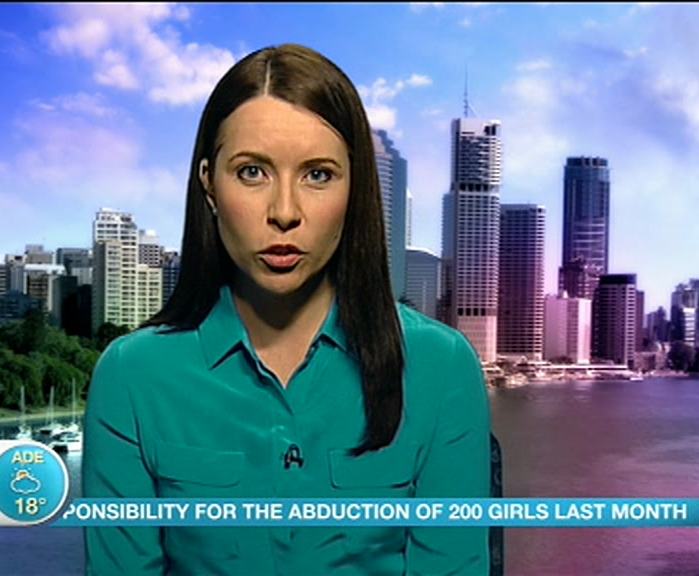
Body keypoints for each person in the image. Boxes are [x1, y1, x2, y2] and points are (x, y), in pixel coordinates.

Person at [83, 43, 492, 575]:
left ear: (355, 187)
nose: (284, 212)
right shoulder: (132, 377)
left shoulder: (441, 368)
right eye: (252, 172)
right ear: (209, 183)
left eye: (317, 175)